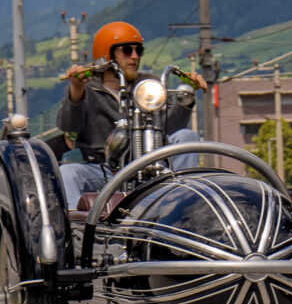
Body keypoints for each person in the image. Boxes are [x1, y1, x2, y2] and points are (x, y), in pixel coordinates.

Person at [58, 22, 207, 207]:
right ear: (106, 55)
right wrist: (76, 90)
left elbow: (169, 128)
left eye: (139, 51)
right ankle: (78, 224)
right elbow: (68, 126)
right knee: (68, 173)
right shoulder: (87, 88)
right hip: (103, 170)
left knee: (187, 136)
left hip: (150, 164)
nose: (135, 56)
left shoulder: (148, 85)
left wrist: (186, 99)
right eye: (127, 50)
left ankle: (179, 205)